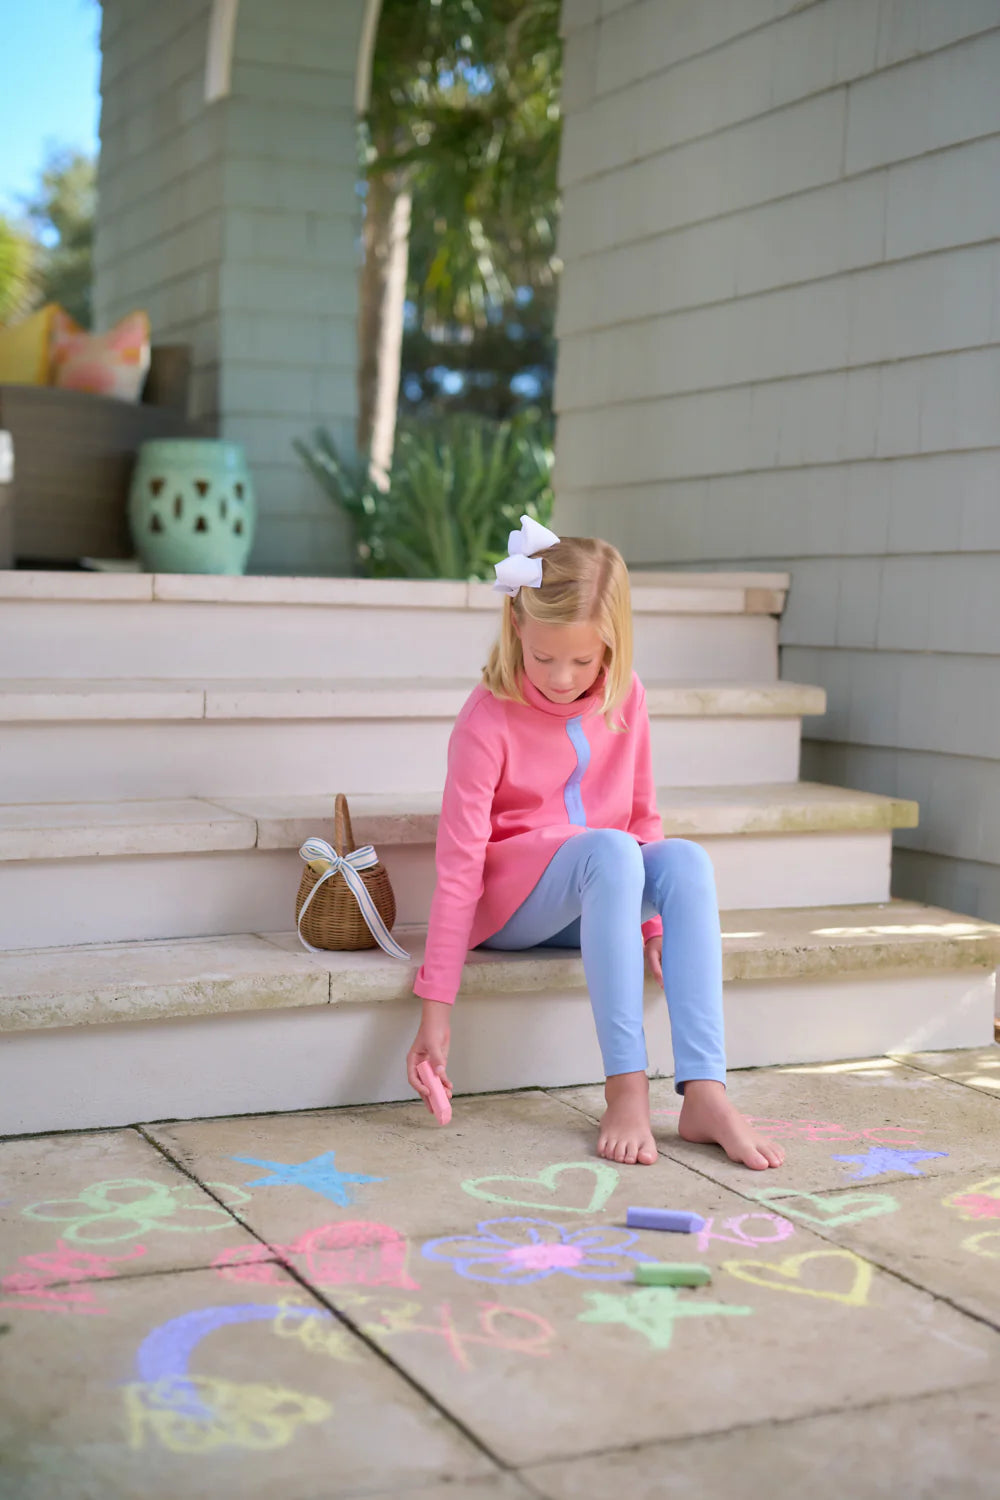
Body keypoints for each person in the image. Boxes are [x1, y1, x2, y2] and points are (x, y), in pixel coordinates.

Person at [405, 517, 784, 1171]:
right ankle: (625, 1089)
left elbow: (643, 814)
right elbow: (460, 865)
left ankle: (705, 1092)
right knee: (609, 850)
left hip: (606, 893)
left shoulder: (623, 697)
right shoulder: (487, 717)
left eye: (583, 660)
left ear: (613, 644)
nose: (561, 677)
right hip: (520, 907)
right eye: (544, 657)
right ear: (517, 629)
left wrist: (657, 924)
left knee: (684, 859)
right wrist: (436, 1005)